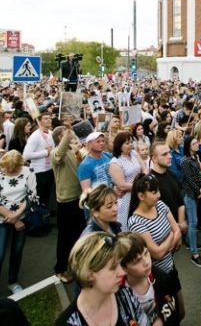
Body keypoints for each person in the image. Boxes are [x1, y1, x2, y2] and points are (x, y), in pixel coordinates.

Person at [54, 232, 151, 326]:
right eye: (113, 268)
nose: (123, 272)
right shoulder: (68, 323)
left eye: (120, 264)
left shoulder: (126, 295)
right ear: (89, 274)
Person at [127, 173, 185, 320]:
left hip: (171, 269)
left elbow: (177, 229)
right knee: (168, 317)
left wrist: (168, 242)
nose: (159, 195)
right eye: (154, 192)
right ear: (141, 196)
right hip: (157, 279)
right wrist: (172, 236)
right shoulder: (136, 222)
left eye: (158, 191)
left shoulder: (160, 205)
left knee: (181, 312)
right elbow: (157, 253)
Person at [0, 150, 38, 295]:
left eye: (13, 169)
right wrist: (13, 219)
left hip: (21, 216)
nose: (9, 171)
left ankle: (13, 282)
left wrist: (17, 215)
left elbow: (31, 195)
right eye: (6, 168)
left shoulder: (28, 172)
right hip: (1, 219)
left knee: (17, 251)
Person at [120, 232, 181, 325]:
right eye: (137, 261)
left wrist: (162, 320)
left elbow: (177, 311)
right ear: (124, 268)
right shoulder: (119, 294)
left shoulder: (161, 276)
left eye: (146, 253)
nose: (146, 262)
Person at [51, 125, 87, 282]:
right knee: (65, 236)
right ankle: (60, 268)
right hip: (65, 200)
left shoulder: (74, 150)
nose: (73, 136)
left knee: (80, 233)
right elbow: (59, 154)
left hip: (79, 197)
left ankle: (78, 262)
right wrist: (67, 132)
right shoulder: (55, 153)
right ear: (61, 137)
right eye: (69, 135)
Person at [110, 131, 146, 227]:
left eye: (131, 142)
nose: (130, 145)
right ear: (119, 146)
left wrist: (145, 179)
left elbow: (144, 167)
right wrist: (141, 184)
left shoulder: (134, 153)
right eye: (127, 143)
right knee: (128, 223)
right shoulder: (115, 162)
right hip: (127, 198)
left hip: (140, 193)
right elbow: (122, 185)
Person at [180, 135, 201, 267]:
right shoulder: (185, 161)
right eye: (194, 143)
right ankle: (194, 254)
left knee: (192, 221)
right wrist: (198, 190)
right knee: (193, 222)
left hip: (195, 193)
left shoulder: (195, 158)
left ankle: (189, 241)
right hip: (189, 194)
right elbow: (189, 179)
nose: (197, 145)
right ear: (189, 146)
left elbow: (198, 176)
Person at [22, 113, 54, 208]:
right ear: (39, 121)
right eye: (46, 118)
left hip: (51, 169)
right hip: (39, 172)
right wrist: (45, 152)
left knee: (48, 198)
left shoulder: (51, 133)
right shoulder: (35, 136)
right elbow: (26, 155)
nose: (49, 120)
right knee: (41, 198)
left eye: (50, 118)